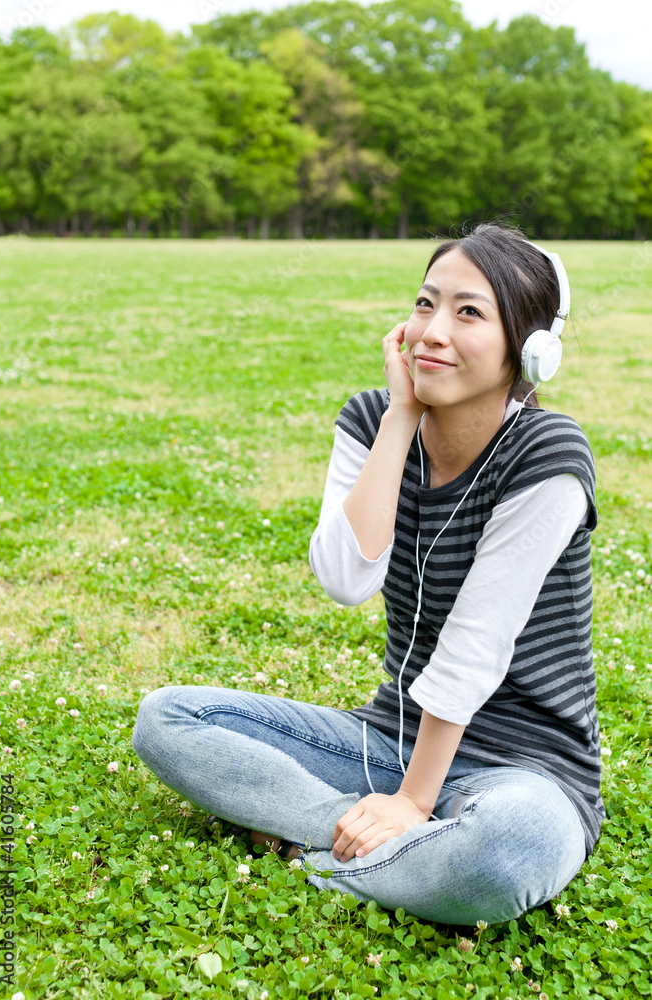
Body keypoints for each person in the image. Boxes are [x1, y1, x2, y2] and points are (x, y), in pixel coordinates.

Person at [132, 221, 603, 926]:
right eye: (424, 303)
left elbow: (475, 645)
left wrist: (414, 802)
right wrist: (400, 417)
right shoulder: (371, 418)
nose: (431, 331)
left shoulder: (547, 454)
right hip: (388, 742)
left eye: (467, 312)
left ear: (530, 351)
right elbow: (346, 578)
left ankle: (327, 853)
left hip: (526, 769)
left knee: (508, 851)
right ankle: (364, 835)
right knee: (167, 719)